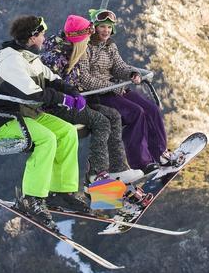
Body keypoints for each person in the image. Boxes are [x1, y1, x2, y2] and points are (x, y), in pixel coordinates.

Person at [0, 14, 91, 231]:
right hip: (6, 120)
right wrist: (65, 100)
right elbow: (35, 94)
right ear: (33, 37)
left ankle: (61, 191)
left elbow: (52, 79)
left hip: (27, 115)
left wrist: (71, 92)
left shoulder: (28, 57)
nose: (44, 38)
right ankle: (31, 198)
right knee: (47, 140)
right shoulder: (11, 62)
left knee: (67, 132)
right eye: (41, 34)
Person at [40, 14, 142, 190]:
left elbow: (78, 80)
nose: (89, 42)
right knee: (101, 121)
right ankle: (97, 174)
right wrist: (70, 97)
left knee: (113, 115)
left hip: (77, 99)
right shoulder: (57, 57)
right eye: (87, 38)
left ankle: (118, 168)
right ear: (80, 38)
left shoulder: (74, 50)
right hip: (59, 106)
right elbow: (50, 86)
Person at [72, 8, 182, 172]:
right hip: (99, 95)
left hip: (116, 89)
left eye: (109, 28)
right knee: (135, 113)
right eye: (102, 27)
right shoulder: (86, 48)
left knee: (151, 110)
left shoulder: (109, 46)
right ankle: (142, 162)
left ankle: (160, 153)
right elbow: (85, 79)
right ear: (94, 27)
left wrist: (131, 73)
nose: (106, 31)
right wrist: (110, 87)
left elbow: (119, 67)